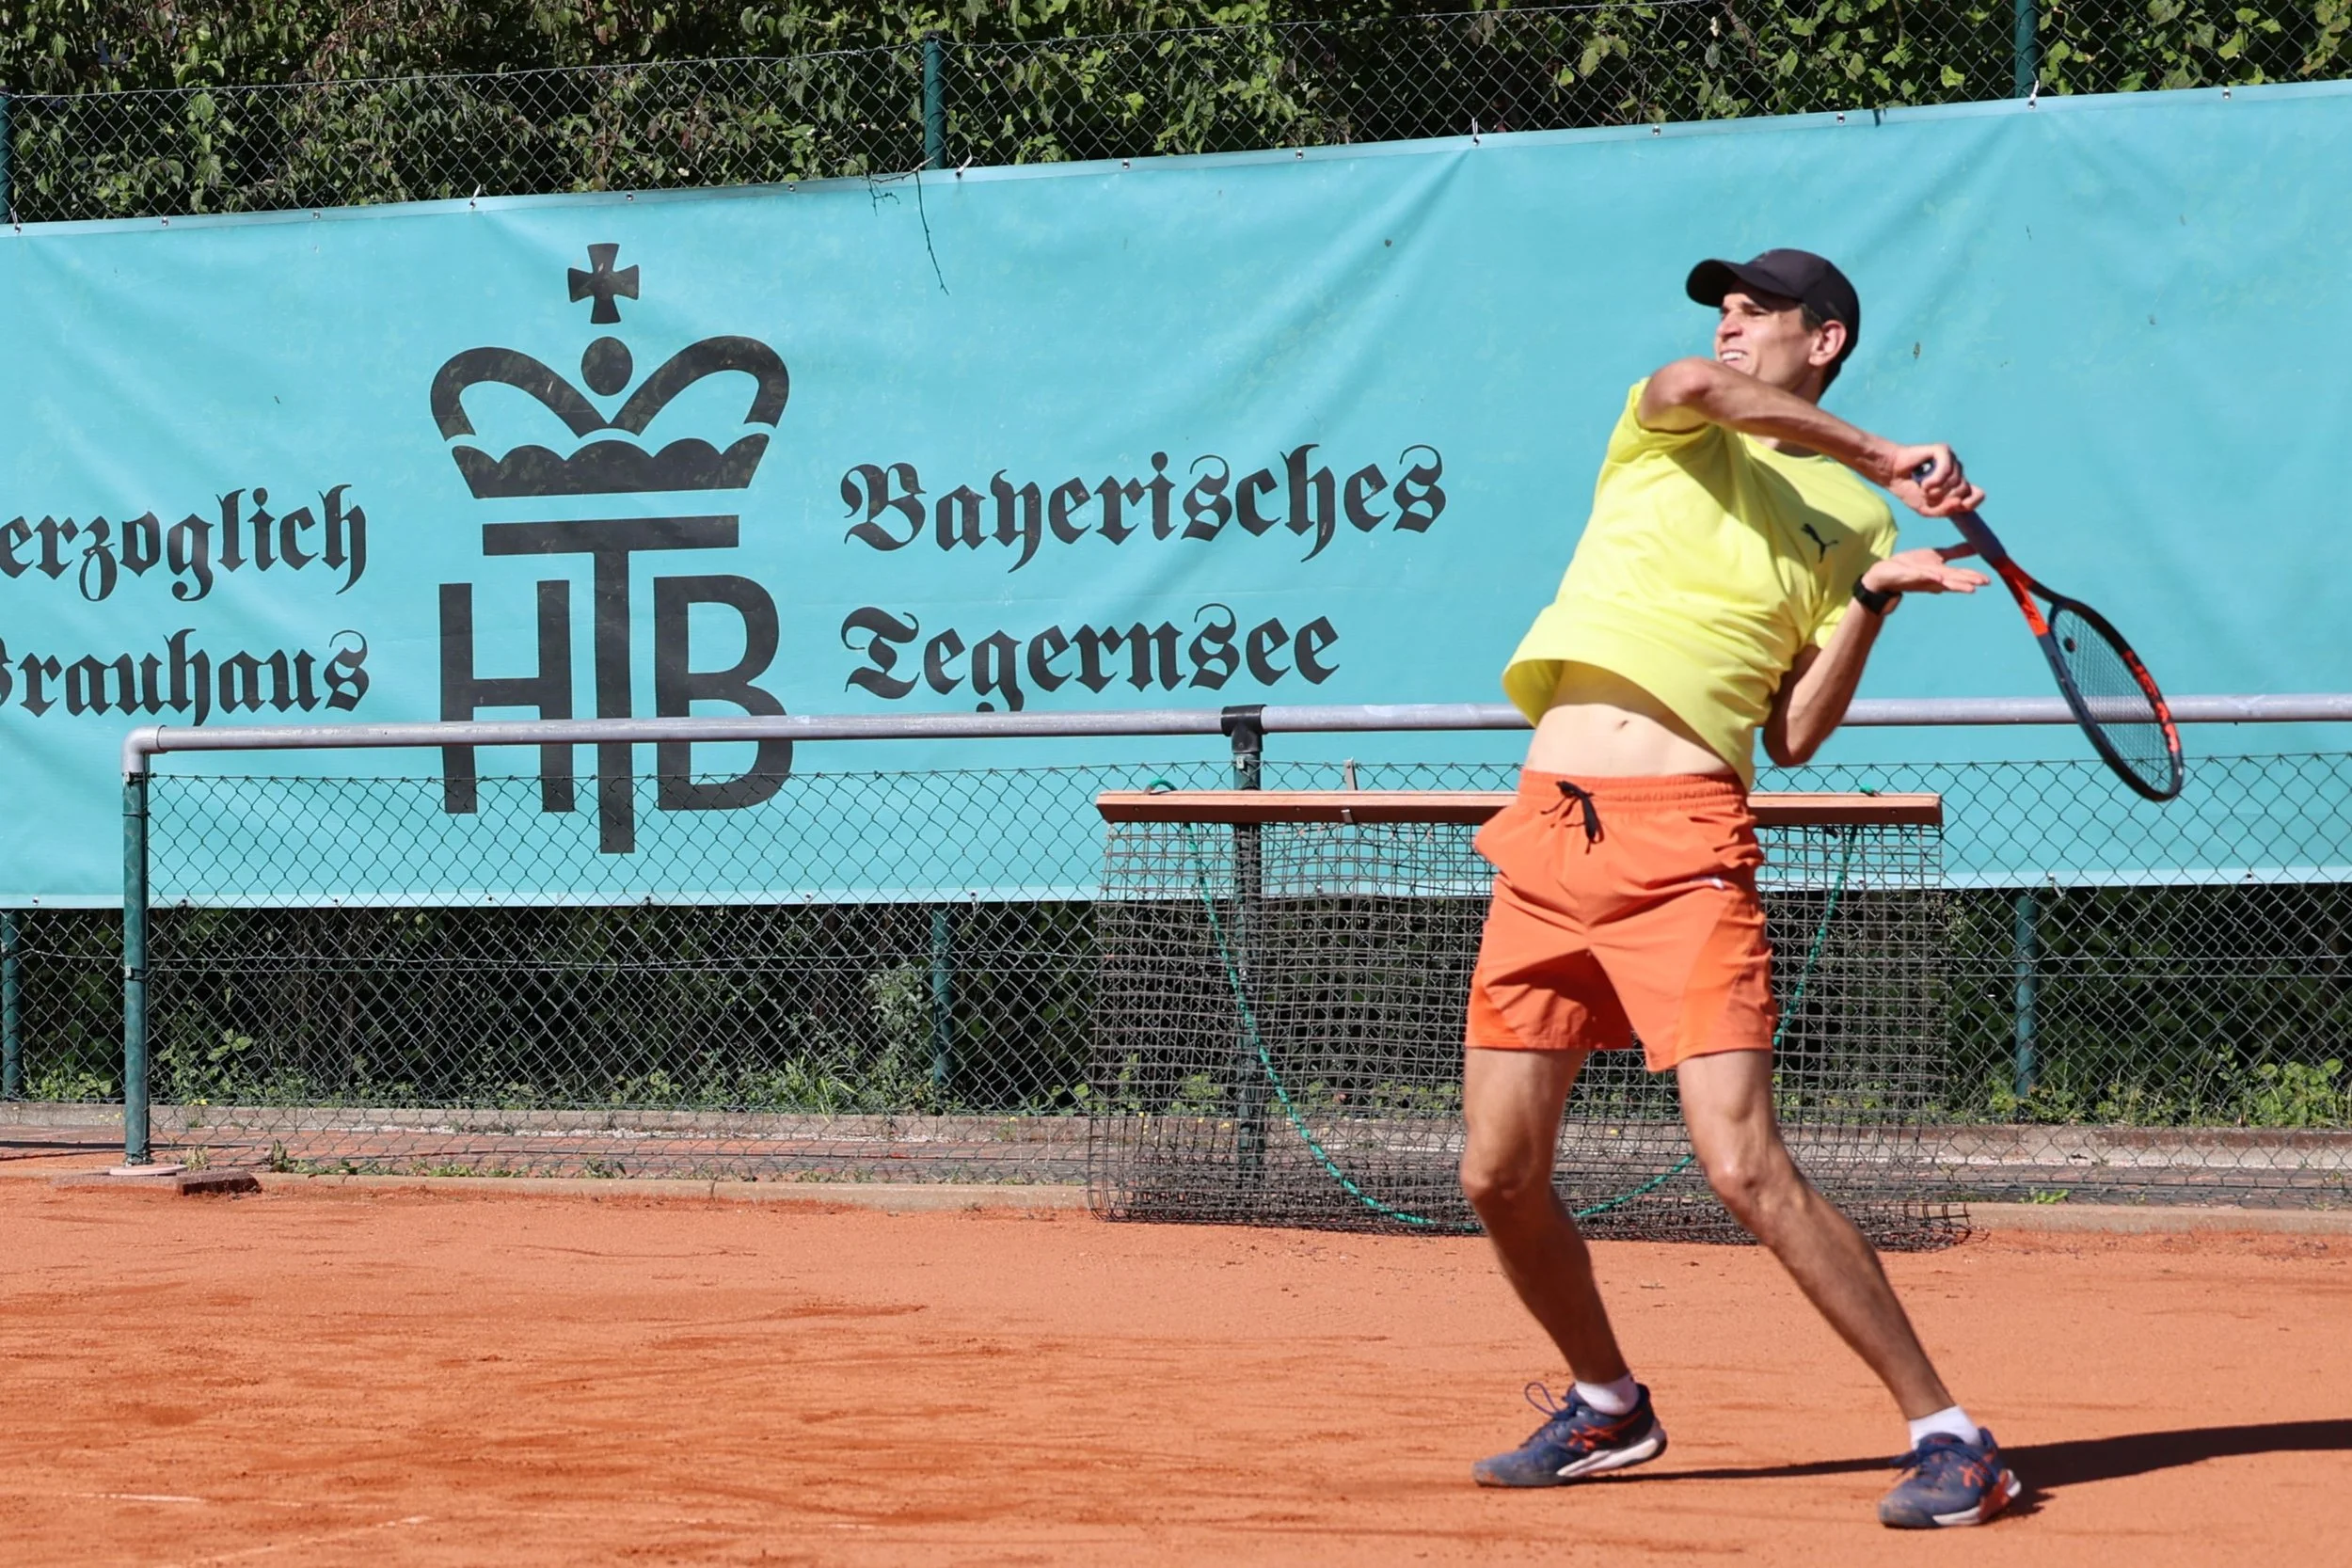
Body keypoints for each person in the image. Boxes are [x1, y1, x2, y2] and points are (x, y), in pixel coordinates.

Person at [1459, 248, 2021, 1528]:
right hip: (1546, 836)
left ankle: (1952, 1436)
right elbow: (1689, 385)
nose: (1729, 324)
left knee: (1741, 1163)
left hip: (1685, 847)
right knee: (1495, 1174)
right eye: (1725, 306)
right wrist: (1884, 451)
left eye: (1757, 309)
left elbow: (1795, 734)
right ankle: (1608, 1404)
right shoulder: (1673, 424)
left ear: (1825, 339)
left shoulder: (1858, 524)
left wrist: (1871, 596)